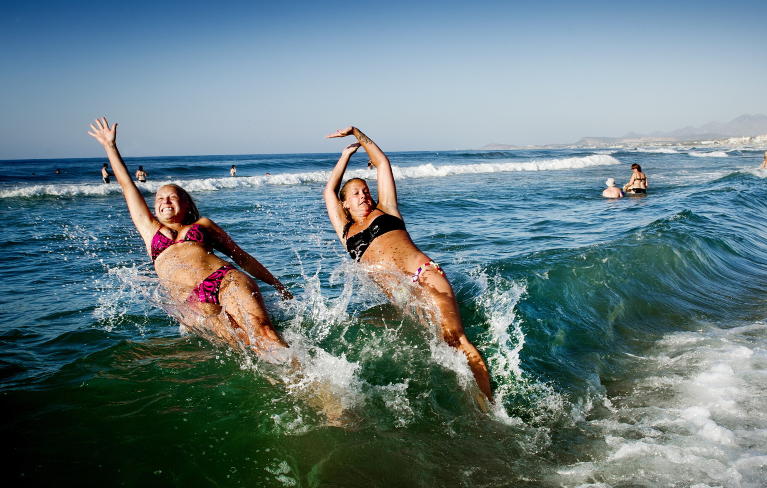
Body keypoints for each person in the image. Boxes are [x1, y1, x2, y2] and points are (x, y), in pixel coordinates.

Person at [87, 117, 294, 358]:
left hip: (225, 279)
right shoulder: (150, 230)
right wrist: (110, 147)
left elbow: (242, 257)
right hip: (193, 301)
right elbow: (127, 187)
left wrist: (277, 285)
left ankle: (306, 375)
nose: (165, 201)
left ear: (186, 204)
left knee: (264, 332)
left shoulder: (202, 225)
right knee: (244, 346)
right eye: (160, 198)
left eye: (172, 197)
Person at [323, 126, 493, 408]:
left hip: (424, 275)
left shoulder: (386, 209)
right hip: (402, 295)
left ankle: (489, 405)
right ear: (345, 203)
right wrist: (345, 156)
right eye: (355, 193)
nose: (363, 195)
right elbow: (329, 190)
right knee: (440, 346)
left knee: (454, 338)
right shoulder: (345, 232)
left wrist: (358, 134)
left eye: (365, 191)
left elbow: (382, 163)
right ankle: (465, 398)